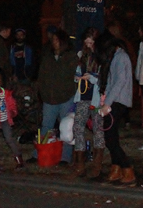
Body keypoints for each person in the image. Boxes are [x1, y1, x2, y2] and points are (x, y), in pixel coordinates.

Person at [34, 29, 79, 164]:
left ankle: (65, 157)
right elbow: (41, 77)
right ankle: (39, 153)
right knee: (46, 126)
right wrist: (42, 92)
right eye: (52, 40)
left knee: (66, 128)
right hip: (49, 98)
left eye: (56, 40)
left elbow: (75, 77)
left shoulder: (71, 57)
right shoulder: (48, 58)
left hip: (66, 97)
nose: (54, 42)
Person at [96, 37, 136, 186]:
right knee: (111, 137)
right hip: (115, 100)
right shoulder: (118, 57)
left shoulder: (120, 57)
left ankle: (127, 167)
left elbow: (119, 81)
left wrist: (107, 103)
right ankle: (116, 167)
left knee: (111, 138)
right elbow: (112, 82)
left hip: (118, 101)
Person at [71, 28, 104, 178]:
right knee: (78, 127)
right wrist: (78, 78)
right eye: (86, 41)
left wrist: (90, 77)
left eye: (91, 41)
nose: (88, 44)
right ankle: (80, 163)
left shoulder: (101, 57)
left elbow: (103, 79)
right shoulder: (81, 55)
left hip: (96, 98)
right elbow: (77, 73)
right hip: (83, 96)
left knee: (98, 129)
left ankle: (97, 164)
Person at [0, 68, 22, 171]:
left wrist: (13, 112)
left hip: (5, 119)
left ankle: (19, 159)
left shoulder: (6, 93)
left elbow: (12, 105)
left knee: (9, 139)